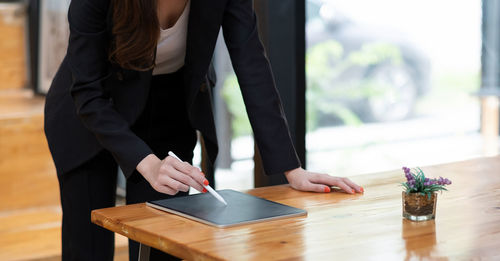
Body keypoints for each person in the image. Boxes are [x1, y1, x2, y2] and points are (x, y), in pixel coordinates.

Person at [44, 0, 363, 260]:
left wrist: (291, 168)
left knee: (162, 245)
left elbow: (250, 60)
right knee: (87, 249)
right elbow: (86, 92)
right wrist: (148, 163)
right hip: (90, 113)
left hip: (168, 108)